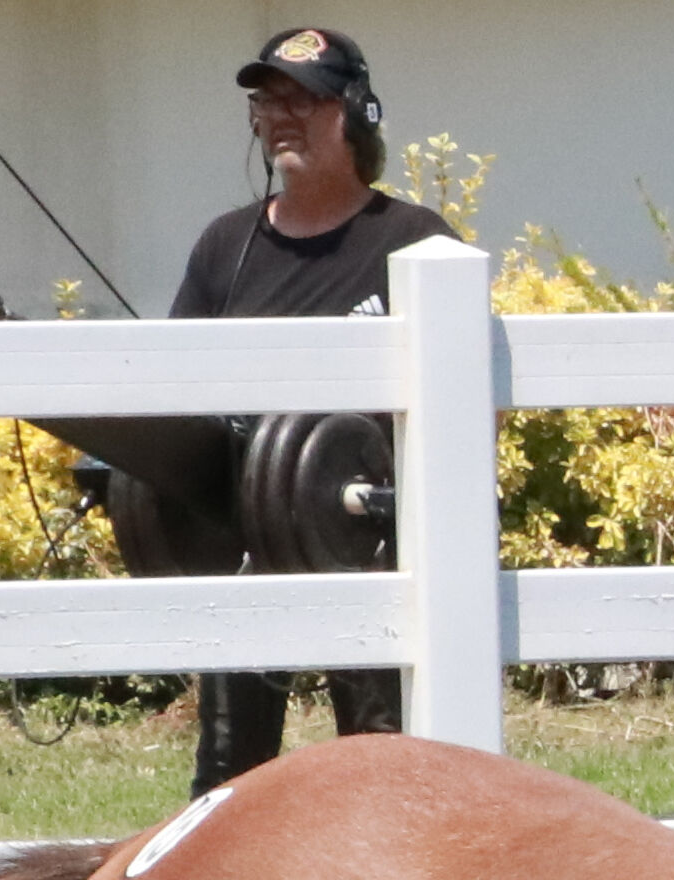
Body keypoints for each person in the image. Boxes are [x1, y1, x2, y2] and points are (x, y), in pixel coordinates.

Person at [164, 28, 456, 793]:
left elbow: (466, 421)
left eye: (305, 99)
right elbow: (173, 398)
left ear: (354, 113)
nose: (281, 117)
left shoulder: (415, 242)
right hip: (248, 545)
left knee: (382, 765)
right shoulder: (225, 246)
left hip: (372, 552)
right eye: (267, 100)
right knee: (229, 777)